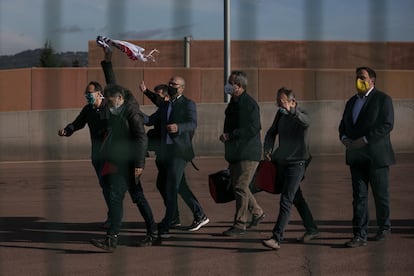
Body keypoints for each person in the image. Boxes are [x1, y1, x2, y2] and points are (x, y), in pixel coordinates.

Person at [90, 83, 154, 252]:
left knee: (130, 197)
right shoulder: (117, 110)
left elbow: (142, 138)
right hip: (119, 161)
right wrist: (108, 62)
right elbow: (112, 80)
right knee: (126, 197)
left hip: (131, 162)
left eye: (111, 101)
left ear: (120, 98)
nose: (109, 105)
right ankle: (149, 233)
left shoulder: (131, 112)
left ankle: (116, 239)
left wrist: (139, 164)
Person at [338, 66, 395, 248]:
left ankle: (384, 227)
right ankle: (359, 234)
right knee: (359, 197)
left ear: (372, 80)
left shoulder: (383, 99)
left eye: (362, 77)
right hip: (356, 157)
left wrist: (365, 139)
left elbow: (387, 124)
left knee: (380, 195)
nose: (358, 80)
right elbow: (343, 126)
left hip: (377, 157)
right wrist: (344, 138)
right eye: (356, 77)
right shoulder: (351, 102)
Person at [147, 76, 209, 238]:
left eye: (174, 84)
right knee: (169, 185)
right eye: (170, 83)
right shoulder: (165, 105)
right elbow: (149, 120)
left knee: (172, 186)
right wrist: (131, 111)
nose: (170, 86)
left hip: (179, 153)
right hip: (165, 152)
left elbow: (192, 123)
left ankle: (168, 223)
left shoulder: (188, 104)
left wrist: (178, 127)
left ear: (182, 88)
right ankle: (199, 214)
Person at [261, 87, 319, 250]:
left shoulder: (301, 115)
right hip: (282, 162)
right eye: (278, 102)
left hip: (297, 163)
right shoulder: (280, 114)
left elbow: (306, 122)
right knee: (296, 198)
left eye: (283, 102)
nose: (279, 105)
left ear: (293, 102)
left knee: (286, 199)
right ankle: (312, 229)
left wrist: (292, 111)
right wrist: (267, 149)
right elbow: (271, 133)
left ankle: (276, 237)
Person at [58, 53, 110, 227]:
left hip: (112, 154)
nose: (87, 96)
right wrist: (67, 130)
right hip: (96, 155)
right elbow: (78, 123)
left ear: (99, 94)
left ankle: (115, 217)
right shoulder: (88, 109)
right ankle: (113, 214)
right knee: (104, 186)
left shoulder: (109, 108)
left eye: (90, 93)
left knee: (112, 187)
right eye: (85, 93)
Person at [219, 71, 265, 236]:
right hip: (235, 152)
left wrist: (231, 135)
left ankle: (240, 224)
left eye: (231, 83)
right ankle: (258, 213)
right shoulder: (234, 102)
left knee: (240, 186)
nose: (228, 85)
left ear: (239, 86)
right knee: (239, 186)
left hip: (248, 152)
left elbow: (254, 128)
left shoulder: (249, 104)